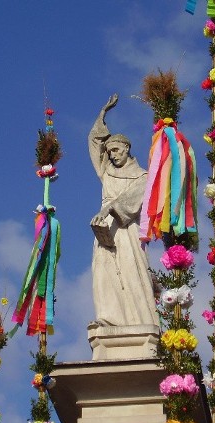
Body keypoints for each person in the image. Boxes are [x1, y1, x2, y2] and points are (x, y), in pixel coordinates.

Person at [88, 94, 158, 327]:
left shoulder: (142, 176)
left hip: (126, 229)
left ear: (127, 148)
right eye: (110, 153)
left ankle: (139, 321)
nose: (113, 155)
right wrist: (103, 114)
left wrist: (108, 208)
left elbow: (131, 201)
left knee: (131, 270)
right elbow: (94, 142)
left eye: (117, 150)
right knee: (103, 272)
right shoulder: (106, 171)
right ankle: (108, 319)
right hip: (105, 229)